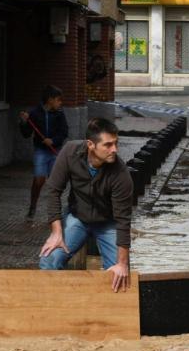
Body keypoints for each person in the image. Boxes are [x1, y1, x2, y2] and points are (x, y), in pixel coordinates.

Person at [38, 118, 132, 292]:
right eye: (108, 145)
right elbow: (52, 191)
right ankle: (58, 310)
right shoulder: (70, 152)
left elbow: (123, 220)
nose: (115, 150)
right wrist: (56, 233)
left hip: (108, 222)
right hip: (77, 217)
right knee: (48, 260)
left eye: (116, 143)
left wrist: (122, 263)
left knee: (119, 276)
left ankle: (108, 315)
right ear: (90, 144)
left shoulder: (121, 173)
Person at [19, 85, 69, 218]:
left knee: (55, 183)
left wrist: (53, 141)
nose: (60, 103)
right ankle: (32, 207)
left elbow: (64, 132)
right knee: (39, 179)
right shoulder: (35, 113)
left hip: (55, 151)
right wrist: (24, 122)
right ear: (50, 100)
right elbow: (26, 133)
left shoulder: (59, 113)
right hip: (41, 151)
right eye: (58, 100)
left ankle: (55, 211)